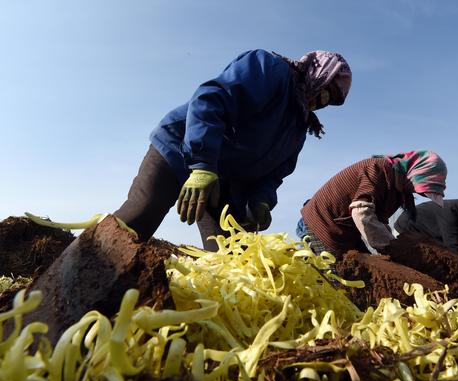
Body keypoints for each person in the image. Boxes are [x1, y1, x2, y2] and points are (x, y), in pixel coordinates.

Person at [113, 49, 352, 250]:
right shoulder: (270, 69)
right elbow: (212, 99)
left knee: (232, 257)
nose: (320, 101)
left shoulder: (299, 127)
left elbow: (275, 173)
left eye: (328, 100)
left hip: (225, 181)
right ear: (316, 72)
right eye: (324, 89)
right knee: (138, 219)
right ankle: (84, 273)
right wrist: (203, 164)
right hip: (179, 148)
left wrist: (261, 201)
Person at [297, 150, 447, 258]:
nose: (417, 193)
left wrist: (391, 247)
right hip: (322, 226)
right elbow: (360, 211)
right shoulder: (377, 169)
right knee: (337, 282)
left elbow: (379, 221)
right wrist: (392, 249)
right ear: (415, 173)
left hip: (345, 232)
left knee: (367, 273)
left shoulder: (397, 191)